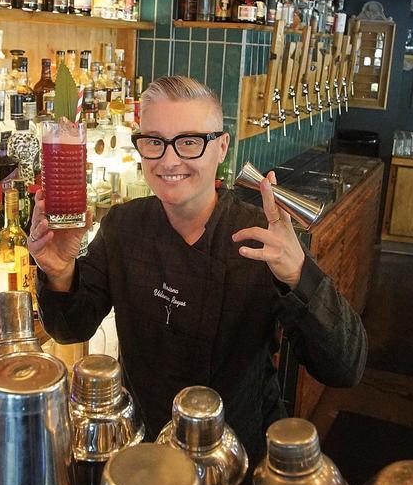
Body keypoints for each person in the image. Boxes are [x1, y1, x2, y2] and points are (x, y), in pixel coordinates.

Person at [28, 75, 367, 458]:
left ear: (221, 147)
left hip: (235, 459)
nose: (169, 160)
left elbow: (345, 367)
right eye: (155, 142)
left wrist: (299, 274)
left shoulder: (261, 239)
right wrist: (58, 272)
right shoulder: (124, 226)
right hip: (145, 451)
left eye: (189, 142)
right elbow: (71, 327)